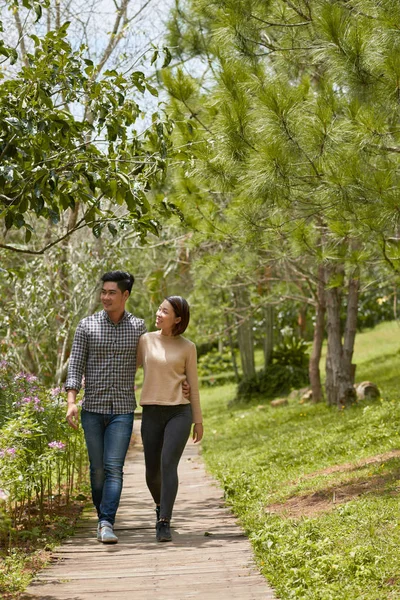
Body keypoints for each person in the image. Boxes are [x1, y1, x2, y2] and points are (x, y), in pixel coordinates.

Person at [137, 295, 203, 543]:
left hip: (179, 412)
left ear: (177, 319)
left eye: (165, 311)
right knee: (151, 471)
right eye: (159, 309)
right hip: (152, 411)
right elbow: (129, 368)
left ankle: (164, 520)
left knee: (168, 465)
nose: (159, 314)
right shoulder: (145, 341)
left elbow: (193, 386)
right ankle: (159, 504)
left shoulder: (188, 347)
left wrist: (198, 420)